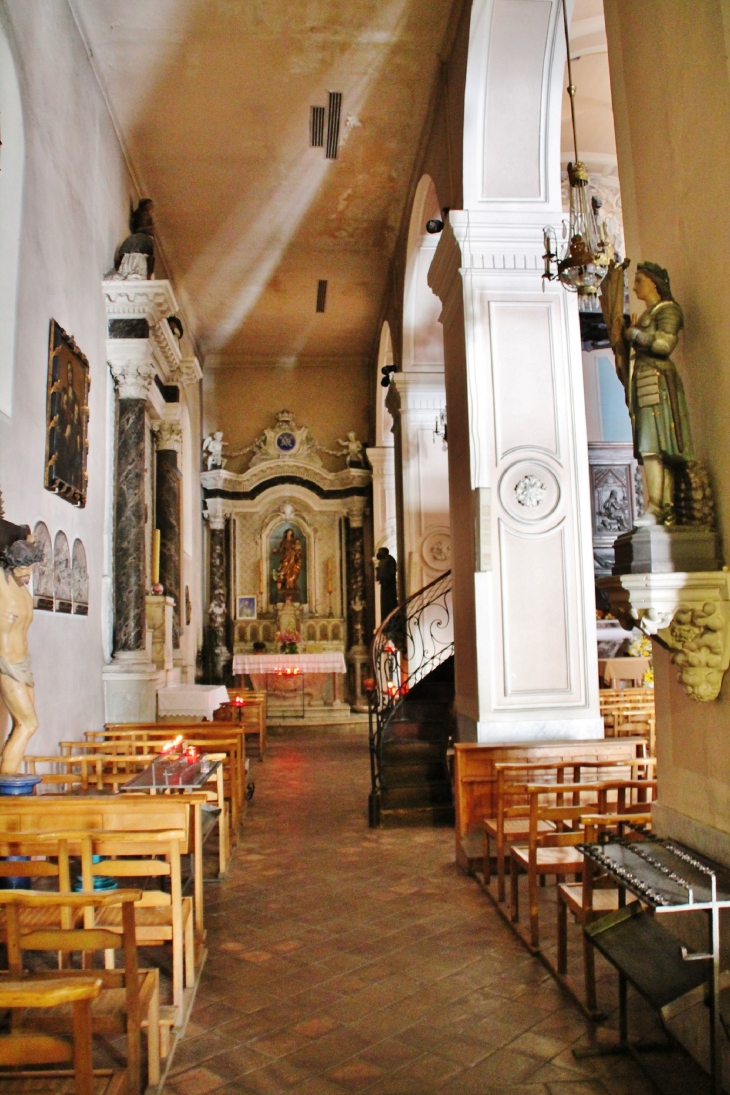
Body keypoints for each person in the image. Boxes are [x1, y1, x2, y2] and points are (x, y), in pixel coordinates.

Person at [622, 262, 693, 525]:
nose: (635, 285)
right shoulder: (648, 313)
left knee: (656, 447)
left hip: (657, 379)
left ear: (653, 283)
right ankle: (660, 506)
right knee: (648, 447)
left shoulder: (668, 310)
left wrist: (636, 334)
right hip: (643, 379)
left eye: (639, 280)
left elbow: (664, 344)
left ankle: (660, 507)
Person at [0, 539, 43, 774]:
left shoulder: (22, 590)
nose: (28, 574)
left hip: (23, 662)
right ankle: (6, 793)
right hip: (6, 663)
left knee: (21, 723)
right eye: (23, 568)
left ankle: (10, 775)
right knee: (29, 723)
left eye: (31, 568)